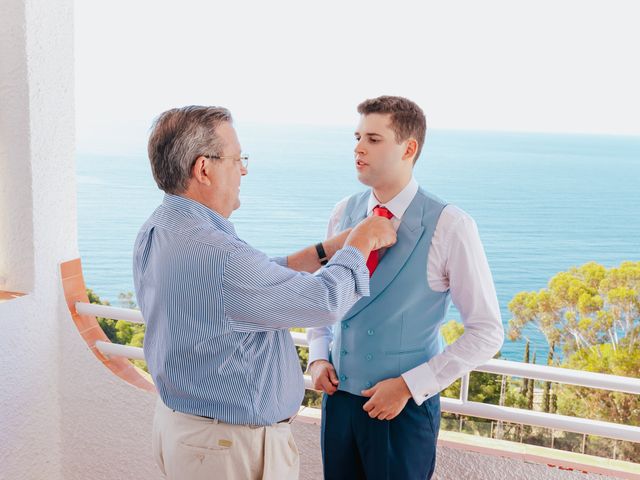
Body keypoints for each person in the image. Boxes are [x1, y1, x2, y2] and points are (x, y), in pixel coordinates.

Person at [132, 105, 396, 480]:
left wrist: (324, 251)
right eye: (237, 159)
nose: (243, 170)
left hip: (186, 432)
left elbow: (245, 284)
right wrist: (361, 243)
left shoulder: (160, 228)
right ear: (203, 168)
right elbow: (326, 301)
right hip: (229, 450)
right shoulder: (218, 255)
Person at [307, 96, 504, 479]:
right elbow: (323, 298)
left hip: (403, 410)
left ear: (409, 148)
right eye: (358, 136)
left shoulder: (450, 225)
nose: (359, 148)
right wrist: (317, 355)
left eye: (374, 139)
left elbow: (487, 332)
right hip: (338, 407)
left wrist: (409, 387)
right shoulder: (343, 212)